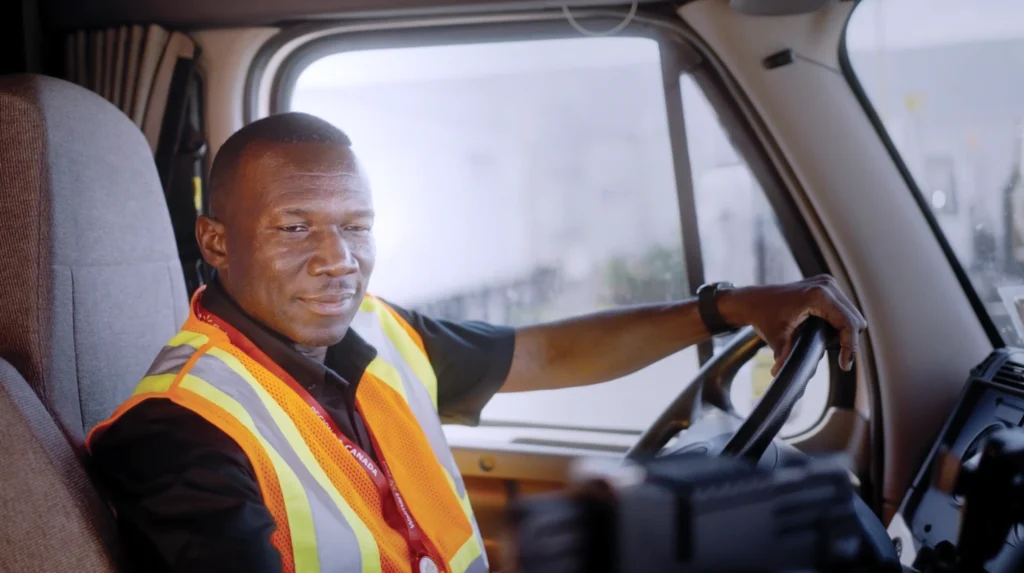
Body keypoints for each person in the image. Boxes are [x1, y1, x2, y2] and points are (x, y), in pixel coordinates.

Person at [87, 112, 867, 573]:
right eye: (295, 228)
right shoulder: (180, 428)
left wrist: (726, 307)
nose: (338, 259)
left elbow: (546, 355)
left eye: (356, 227)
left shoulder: (374, 330)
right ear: (217, 243)